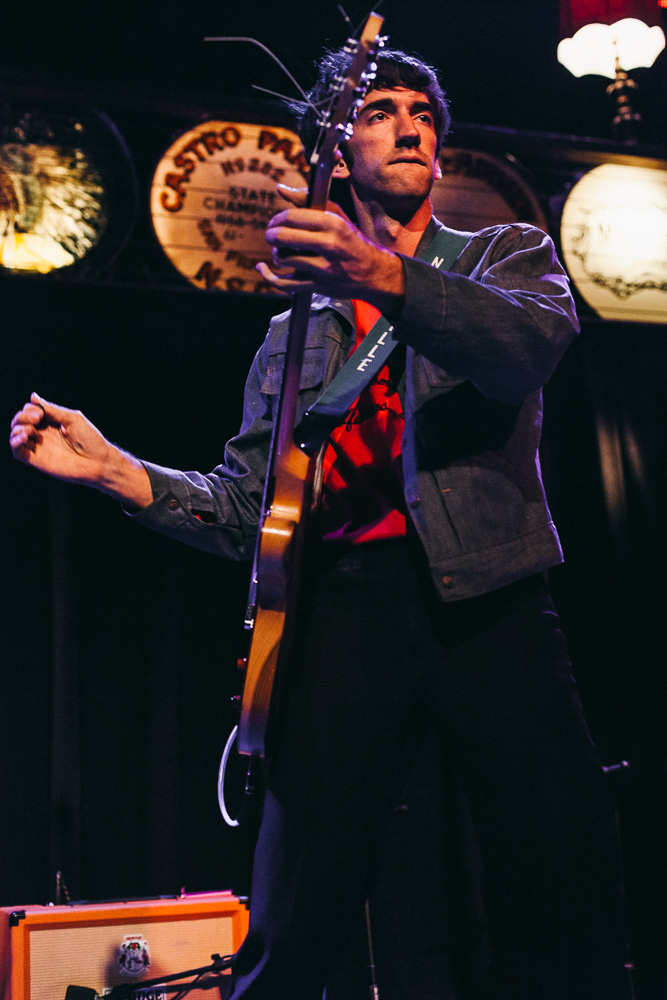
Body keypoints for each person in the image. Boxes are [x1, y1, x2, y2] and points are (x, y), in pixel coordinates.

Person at [10, 47, 632, 1000]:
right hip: (345, 616)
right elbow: (251, 513)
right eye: (382, 111)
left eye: (422, 109)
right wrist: (115, 471)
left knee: (560, 877)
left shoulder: (503, 256)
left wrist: (380, 272)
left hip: (490, 604)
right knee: (295, 913)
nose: (411, 124)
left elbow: (524, 350)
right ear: (338, 153)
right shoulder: (291, 335)